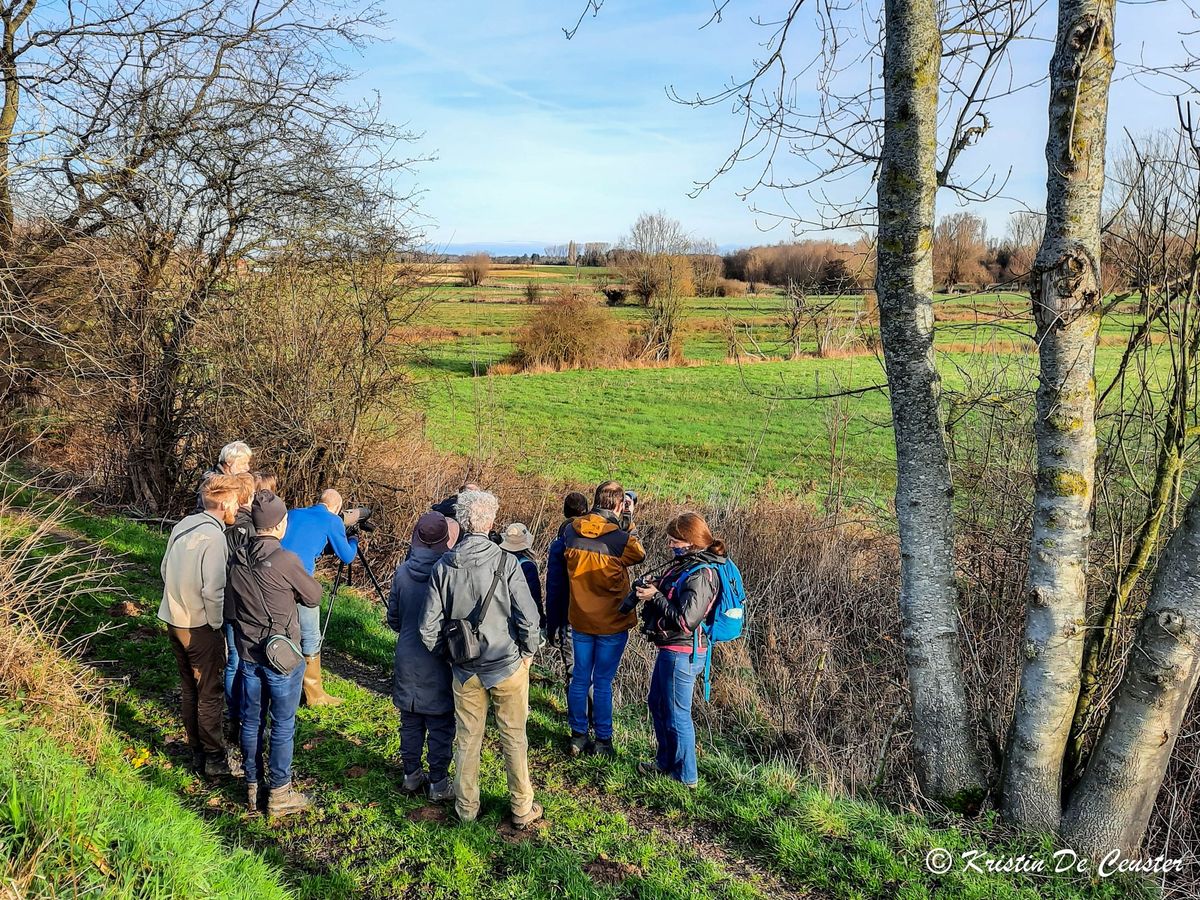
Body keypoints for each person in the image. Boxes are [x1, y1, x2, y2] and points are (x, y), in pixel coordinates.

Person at [419, 489, 543, 829]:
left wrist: (449, 656)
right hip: (507, 664)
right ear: (490, 523)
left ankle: (466, 807)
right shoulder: (508, 563)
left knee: (467, 739)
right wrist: (528, 654)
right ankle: (521, 807)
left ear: (461, 521)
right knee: (514, 738)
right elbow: (529, 619)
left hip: (465, 670)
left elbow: (427, 628)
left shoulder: (444, 566)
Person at [226, 490, 323, 817]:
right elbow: (313, 597)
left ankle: (252, 786)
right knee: (282, 724)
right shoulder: (285, 559)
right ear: (280, 525)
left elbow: (230, 607)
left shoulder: (237, 558)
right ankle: (279, 794)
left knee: (251, 721)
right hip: (282, 656)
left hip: (249, 654)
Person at [634, 512, 726, 789]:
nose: (670, 545)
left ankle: (687, 777)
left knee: (677, 714)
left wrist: (656, 597)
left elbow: (687, 620)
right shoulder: (686, 565)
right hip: (670, 650)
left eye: (674, 540)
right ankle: (665, 762)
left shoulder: (702, 575)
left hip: (683, 653)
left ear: (690, 541)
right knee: (658, 705)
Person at [158, 474, 242, 777]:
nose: (238, 507)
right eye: (235, 502)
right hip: (199, 625)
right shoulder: (215, 538)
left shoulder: (183, 525)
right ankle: (214, 757)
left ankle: (195, 749)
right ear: (223, 503)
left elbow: (164, 568)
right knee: (209, 691)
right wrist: (216, 625)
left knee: (189, 688)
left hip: (172, 618)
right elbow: (213, 590)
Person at [562, 481, 645, 757]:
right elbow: (639, 555)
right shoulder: (620, 539)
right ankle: (603, 740)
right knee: (603, 681)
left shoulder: (571, 530)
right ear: (620, 505)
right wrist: (629, 521)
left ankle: (578, 735)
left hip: (581, 619)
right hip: (611, 620)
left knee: (580, 678)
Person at [387, 512, 458, 802]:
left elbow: (393, 618)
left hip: (406, 655)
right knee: (440, 723)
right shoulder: (449, 573)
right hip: (439, 657)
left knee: (410, 719)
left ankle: (411, 774)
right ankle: (438, 783)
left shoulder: (402, 573)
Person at [280, 488, 358, 706]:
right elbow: (347, 556)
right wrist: (354, 539)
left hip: (276, 577)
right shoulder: (332, 521)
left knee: (285, 630)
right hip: (301, 581)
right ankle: (314, 694)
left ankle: (283, 684)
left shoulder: (294, 513)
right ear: (337, 508)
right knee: (311, 635)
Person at [222, 472, 257, 735]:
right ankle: (246, 715)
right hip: (242, 604)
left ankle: (233, 715)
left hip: (223, 600)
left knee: (231, 658)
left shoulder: (221, 524)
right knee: (244, 660)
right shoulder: (249, 528)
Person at [545, 491, 588, 689]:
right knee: (595, 673)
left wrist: (552, 624)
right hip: (597, 616)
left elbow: (555, 588)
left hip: (569, 615)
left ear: (564, 512)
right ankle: (596, 717)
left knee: (574, 670)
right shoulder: (599, 538)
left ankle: (577, 717)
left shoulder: (561, 543)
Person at [499, 523, 544, 629]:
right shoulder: (527, 565)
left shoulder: (498, 559)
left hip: (501, 617)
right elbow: (534, 597)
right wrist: (540, 622)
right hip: (520, 619)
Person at [195, 441, 253, 512]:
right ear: (229, 462)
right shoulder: (211, 481)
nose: (247, 468)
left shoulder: (236, 478)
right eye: (243, 463)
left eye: (247, 463)